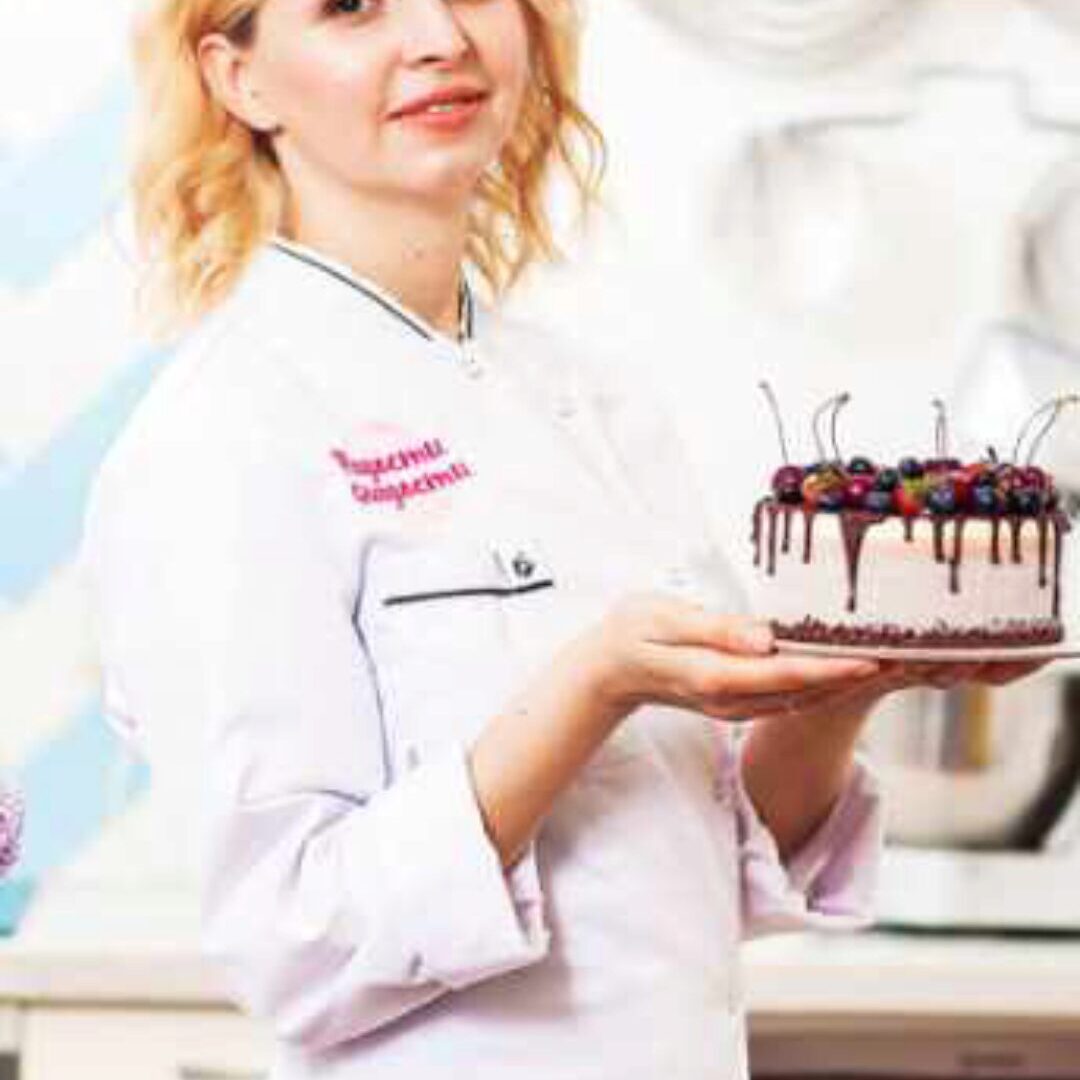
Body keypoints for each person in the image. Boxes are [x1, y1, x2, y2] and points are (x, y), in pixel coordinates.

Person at [78, 2, 1040, 1077]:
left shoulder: (593, 403)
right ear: (239, 78)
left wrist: (849, 680)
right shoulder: (221, 435)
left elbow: (700, 867)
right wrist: (592, 687)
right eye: (352, 5)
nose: (440, 36)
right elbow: (299, 942)